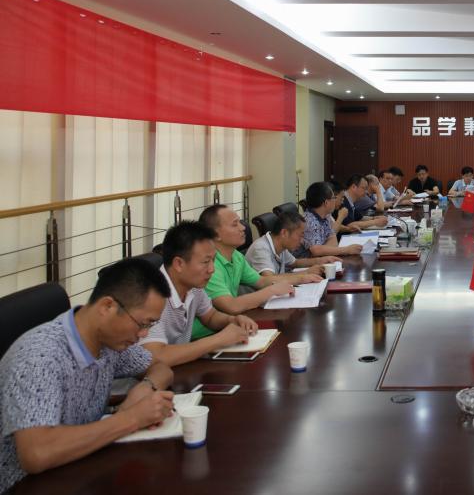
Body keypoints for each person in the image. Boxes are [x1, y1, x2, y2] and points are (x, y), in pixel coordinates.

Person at [0, 258, 175, 491]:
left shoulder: (109, 342)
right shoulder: (39, 356)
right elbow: (36, 453)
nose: (144, 335)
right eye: (143, 324)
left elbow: (161, 367)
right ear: (107, 307)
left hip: (80, 469)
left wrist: (147, 387)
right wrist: (131, 418)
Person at [141, 221, 260, 366]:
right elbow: (155, 356)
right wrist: (218, 340)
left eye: (213, 260)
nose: (212, 269)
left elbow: (210, 317)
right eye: (205, 262)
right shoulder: (151, 297)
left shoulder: (193, 286)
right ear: (179, 264)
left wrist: (232, 320)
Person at [192, 204, 313, 339]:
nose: (243, 227)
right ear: (215, 234)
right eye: (234, 224)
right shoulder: (209, 266)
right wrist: (272, 290)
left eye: (240, 222)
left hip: (226, 328)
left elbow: (261, 281)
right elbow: (231, 305)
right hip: (202, 337)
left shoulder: (236, 256)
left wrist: (302, 277)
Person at [246, 210, 334, 277]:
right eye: (300, 235)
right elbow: (270, 279)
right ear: (284, 233)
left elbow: (295, 262)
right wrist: (306, 273)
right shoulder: (260, 248)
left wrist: (321, 261)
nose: (302, 240)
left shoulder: (280, 245)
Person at [296, 182, 363, 259]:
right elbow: (316, 251)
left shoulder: (326, 215)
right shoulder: (309, 221)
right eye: (334, 198)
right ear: (326, 203)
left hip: (321, 259)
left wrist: (324, 250)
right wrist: (346, 250)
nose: (335, 200)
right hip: (305, 263)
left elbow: (333, 238)